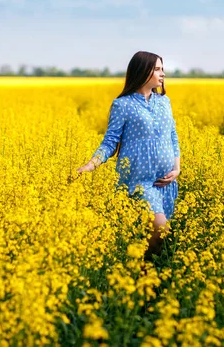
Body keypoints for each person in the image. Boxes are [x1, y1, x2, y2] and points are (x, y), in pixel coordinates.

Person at [77, 51, 181, 260]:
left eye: (163, 69)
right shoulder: (122, 105)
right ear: (143, 71)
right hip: (139, 182)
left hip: (166, 183)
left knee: (154, 234)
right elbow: (110, 142)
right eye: (158, 69)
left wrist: (176, 169)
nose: (163, 74)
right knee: (160, 229)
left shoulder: (164, 102)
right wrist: (90, 165)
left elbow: (173, 136)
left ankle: (144, 273)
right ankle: (141, 267)